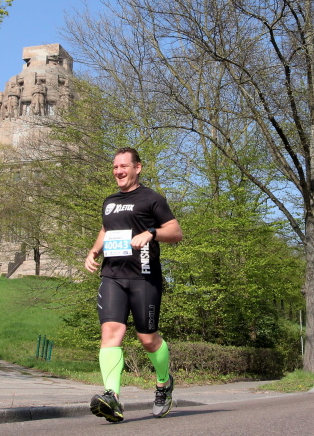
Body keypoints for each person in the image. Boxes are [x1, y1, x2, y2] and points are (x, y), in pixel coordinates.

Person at [84, 147, 184, 422]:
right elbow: (106, 229)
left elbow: (176, 232)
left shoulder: (152, 199)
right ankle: (112, 398)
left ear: (137, 168)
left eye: (124, 166)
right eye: (115, 167)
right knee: (110, 332)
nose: (118, 172)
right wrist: (94, 251)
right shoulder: (109, 201)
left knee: (147, 339)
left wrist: (151, 233)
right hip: (112, 276)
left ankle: (164, 383)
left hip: (144, 277)